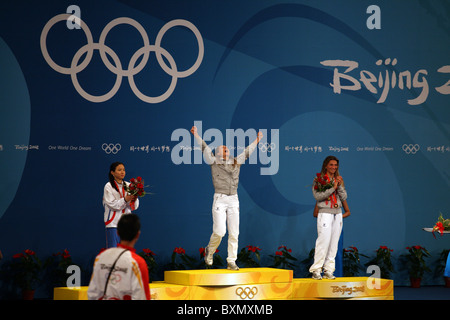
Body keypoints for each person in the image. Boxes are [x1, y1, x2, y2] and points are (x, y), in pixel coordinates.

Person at [190, 126, 263, 270]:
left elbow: (247, 152)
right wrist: (196, 135)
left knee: (234, 232)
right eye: (223, 149)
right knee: (220, 231)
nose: (226, 150)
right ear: (217, 153)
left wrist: (257, 140)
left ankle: (231, 261)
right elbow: (204, 148)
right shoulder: (213, 161)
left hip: (233, 199)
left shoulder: (236, 161)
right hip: (220, 198)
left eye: (227, 149)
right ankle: (209, 251)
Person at [88, 214, 150, 300]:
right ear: (137, 235)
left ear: (117, 232)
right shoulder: (137, 263)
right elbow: (142, 297)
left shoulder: (100, 258)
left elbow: (92, 294)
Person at [309, 155, 348, 280]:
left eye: (335, 165)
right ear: (326, 165)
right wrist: (333, 188)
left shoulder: (338, 179)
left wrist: (340, 185)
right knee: (323, 241)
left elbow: (344, 197)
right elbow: (318, 197)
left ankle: (329, 270)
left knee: (334, 243)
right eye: (331, 165)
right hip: (325, 212)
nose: (333, 167)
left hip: (337, 212)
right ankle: (316, 270)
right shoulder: (319, 180)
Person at [103, 162, 139, 248]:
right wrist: (125, 199)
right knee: (113, 251)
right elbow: (112, 205)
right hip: (113, 223)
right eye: (119, 170)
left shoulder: (129, 185)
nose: (122, 172)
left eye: (123, 170)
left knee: (126, 251)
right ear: (112, 172)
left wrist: (133, 199)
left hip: (127, 224)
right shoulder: (108, 186)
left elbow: (134, 206)